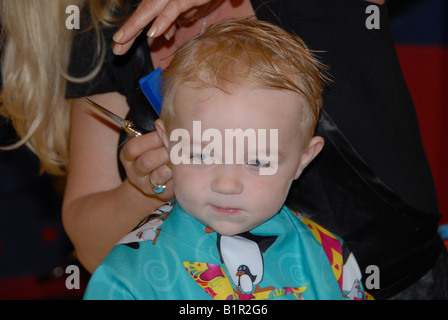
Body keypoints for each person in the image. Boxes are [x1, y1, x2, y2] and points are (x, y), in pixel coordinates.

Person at [1, 0, 446, 299]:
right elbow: (92, 246)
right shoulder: (105, 36)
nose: (229, 181)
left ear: (306, 155)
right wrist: (148, 187)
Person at [83, 19, 369, 300]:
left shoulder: (330, 261)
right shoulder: (128, 280)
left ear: (303, 159)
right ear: (169, 142)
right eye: (203, 155)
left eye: (256, 161)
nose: (226, 184)